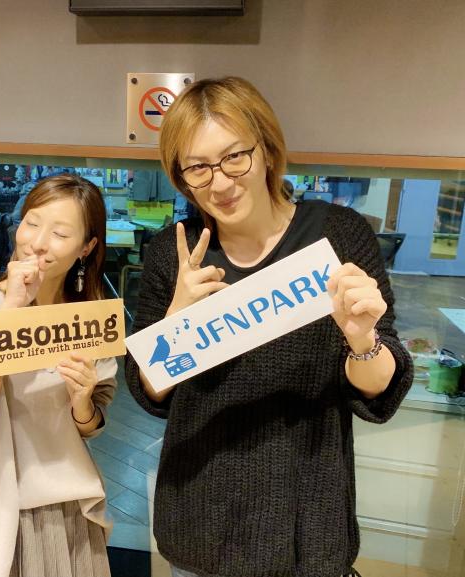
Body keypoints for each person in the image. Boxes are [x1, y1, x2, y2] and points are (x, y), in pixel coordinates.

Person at [125, 77, 414, 577]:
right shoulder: (174, 253)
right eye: (198, 167)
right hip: (199, 521)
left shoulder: (338, 234)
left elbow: (378, 391)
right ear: (181, 176)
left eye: (234, 157)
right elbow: (148, 389)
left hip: (307, 523)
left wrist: (362, 339)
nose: (219, 182)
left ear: (266, 149)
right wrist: (176, 323)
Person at [0, 174, 116, 577]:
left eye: (60, 233)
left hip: (69, 506)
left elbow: (90, 426)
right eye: (32, 223)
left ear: (86, 248)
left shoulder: (87, 319)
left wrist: (82, 401)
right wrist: (13, 308)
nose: (38, 242)